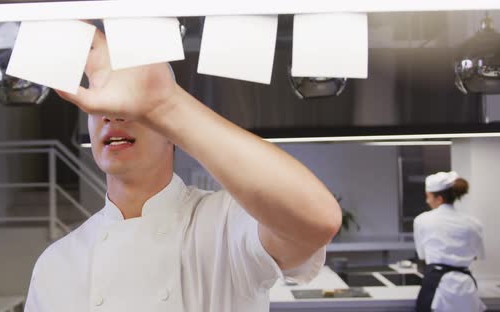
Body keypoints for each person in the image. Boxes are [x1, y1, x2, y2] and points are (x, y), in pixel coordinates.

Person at [24, 26, 342, 312]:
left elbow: (317, 220)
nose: (113, 115)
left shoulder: (225, 227)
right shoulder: (56, 265)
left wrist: (165, 104)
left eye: (131, 104)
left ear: (172, 131)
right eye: (102, 103)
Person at [414, 171, 486, 312]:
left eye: (428, 197)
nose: (427, 201)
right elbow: (478, 255)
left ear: (439, 198)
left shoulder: (422, 220)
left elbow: (422, 255)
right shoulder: (474, 223)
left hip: (437, 288)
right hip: (467, 289)